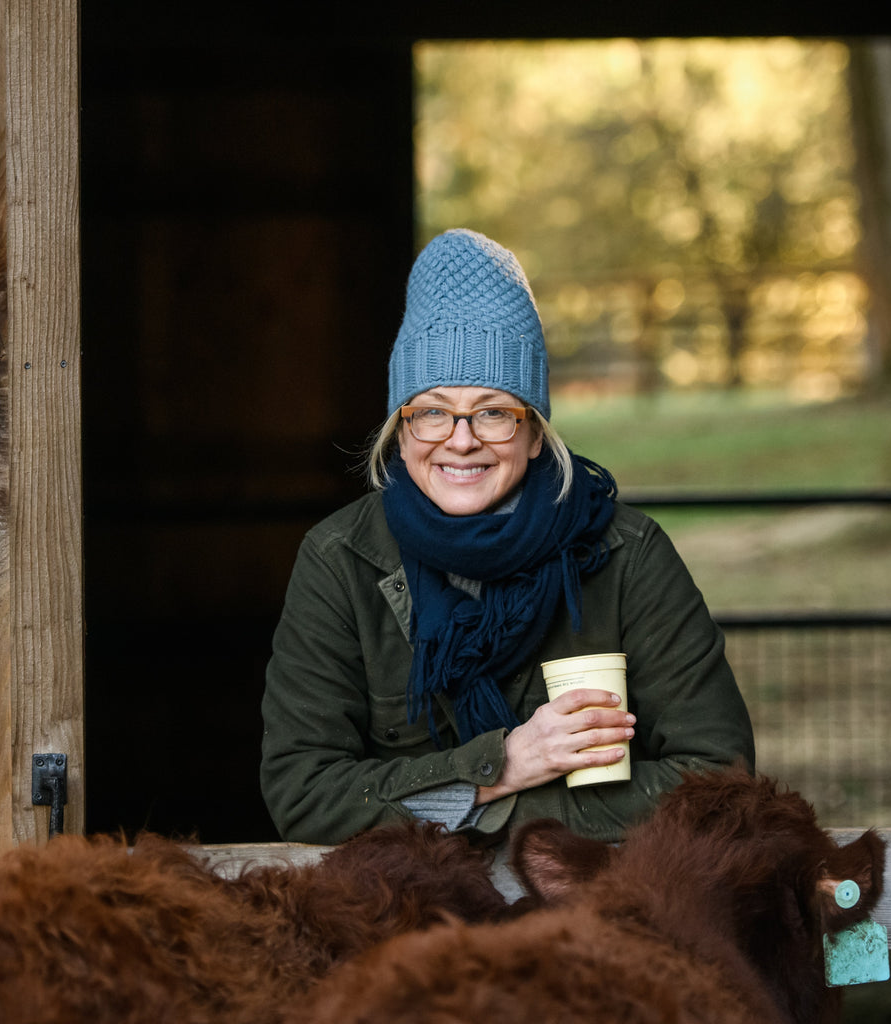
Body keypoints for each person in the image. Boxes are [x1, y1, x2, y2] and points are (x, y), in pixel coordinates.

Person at [260, 228, 754, 846]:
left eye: (493, 411)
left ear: (535, 432)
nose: (460, 439)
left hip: (589, 916)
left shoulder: (627, 555)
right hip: (406, 920)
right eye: (432, 411)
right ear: (401, 429)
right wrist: (504, 767)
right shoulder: (341, 560)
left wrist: (498, 819)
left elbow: (718, 778)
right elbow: (303, 790)